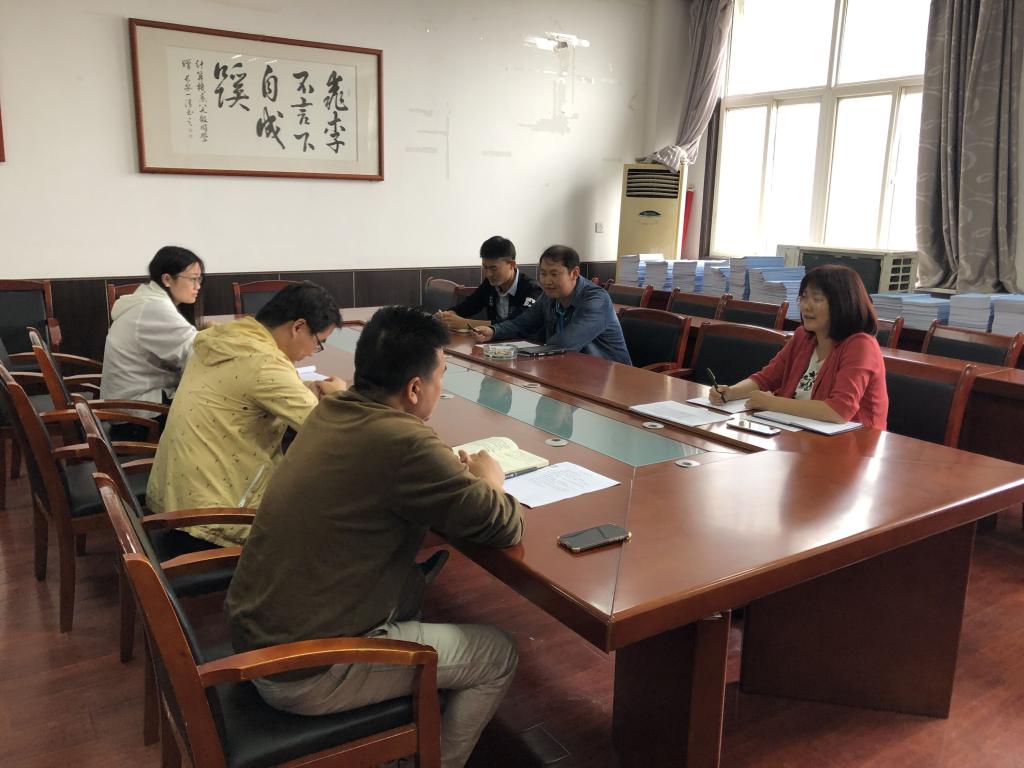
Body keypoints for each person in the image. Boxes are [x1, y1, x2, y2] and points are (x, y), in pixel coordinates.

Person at [226, 306, 524, 768]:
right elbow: (502, 524)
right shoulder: (403, 443)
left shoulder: (332, 409)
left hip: (261, 636)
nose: (441, 389)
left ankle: (408, 726)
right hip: (306, 671)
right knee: (499, 654)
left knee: (412, 585)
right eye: (441, 377)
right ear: (415, 388)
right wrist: (491, 479)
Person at [146, 282, 346, 547]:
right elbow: (334, 431)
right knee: (336, 513)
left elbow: (246, 390)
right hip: (216, 521)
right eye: (318, 342)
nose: (312, 352)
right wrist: (339, 395)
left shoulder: (227, 339)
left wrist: (304, 388)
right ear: (298, 327)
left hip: (174, 500)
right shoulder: (265, 362)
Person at [710, 264, 888, 429]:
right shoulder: (803, 337)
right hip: (798, 432)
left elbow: (839, 410)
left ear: (843, 303)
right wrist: (731, 392)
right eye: (803, 297)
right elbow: (766, 379)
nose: (806, 307)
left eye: (817, 299)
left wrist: (772, 403)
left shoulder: (861, 345)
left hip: (853, 443)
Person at [101, 246, 203, 435]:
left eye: (199, 279)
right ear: (167, 279)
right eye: (193, 279)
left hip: (130, 404)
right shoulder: (154, 307)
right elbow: (196, 352)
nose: (198, 286)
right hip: (139, 418)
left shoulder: (147, 299)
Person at [472, 245, 632, 365]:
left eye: (554, 274)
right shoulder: (550, 296)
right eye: (543, 273)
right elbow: (522, 324)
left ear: (574, 273)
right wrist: (493, 331)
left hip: (610, 379)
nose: (547, 281)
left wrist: (524, 351)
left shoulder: (597, 300)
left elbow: (565, 343)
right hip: (569, 371)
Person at [437, 236, 542, 327]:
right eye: (485, 267)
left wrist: (466, 323)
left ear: (512, 265)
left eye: (493, 268)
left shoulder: (532, 289)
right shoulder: (490, 284)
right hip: (495, 342)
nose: (488, 274)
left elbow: (517, 323)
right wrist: (447, 315)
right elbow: (469, 305)